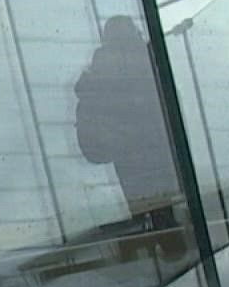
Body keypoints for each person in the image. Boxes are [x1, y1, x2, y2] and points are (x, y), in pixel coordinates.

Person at [75, 16, 179, 220]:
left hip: (128, 156)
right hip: (154, 148)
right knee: (168, 210)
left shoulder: (100, 70)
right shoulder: (144, 61)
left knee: (144, 211)